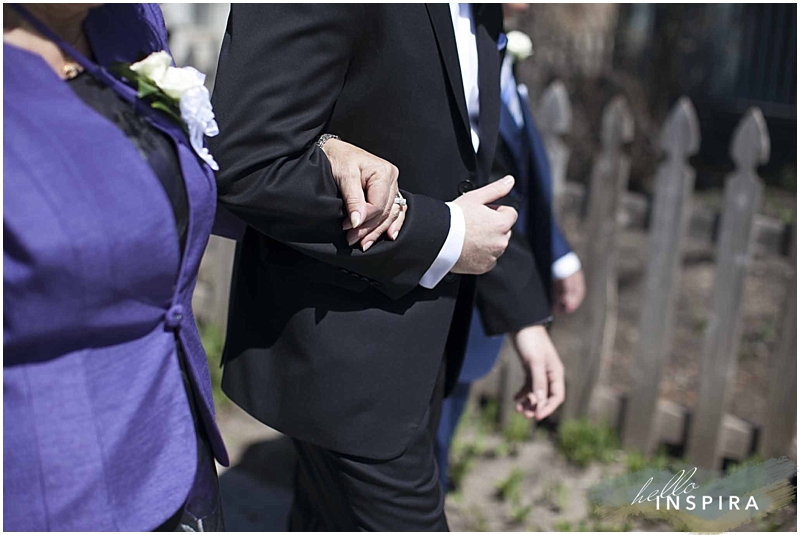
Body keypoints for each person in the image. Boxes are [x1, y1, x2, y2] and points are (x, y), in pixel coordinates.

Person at [2, 3, 400, 531]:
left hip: (176, 451)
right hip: (55, 489)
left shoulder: (128, 19)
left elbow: (159, 180)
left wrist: (324, 154)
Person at [210, 4, 566, 530]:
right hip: (338, 356)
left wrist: (524, 318)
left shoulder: (485, 15)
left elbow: (475, 165)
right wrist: (440, 235)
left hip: (420, 362)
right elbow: (248, 157)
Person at [435, 18, 587, 490]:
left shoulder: (495, 43)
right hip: (440, 287)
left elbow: (515, 177)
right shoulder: (437, 38)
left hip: (490, 289)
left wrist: (558, 256)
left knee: (439, 438)